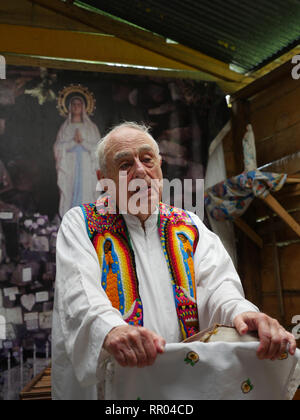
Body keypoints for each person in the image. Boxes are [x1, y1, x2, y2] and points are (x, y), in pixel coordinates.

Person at [52, 122, 297, 400]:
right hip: (116, 383)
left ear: (159, 167)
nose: (140, 171)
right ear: (102, 178)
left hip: (185, 383)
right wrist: (110, 329)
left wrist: (241, 311)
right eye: (124, 165)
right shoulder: (82, 224)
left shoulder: (188, 225)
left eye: (147, 160)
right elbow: (79, 291)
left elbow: (218, 287)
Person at [54, 96, 101, 218]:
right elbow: (57, 148)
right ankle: (69, 218)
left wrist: (83, 142)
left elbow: (98, 149)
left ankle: (87, 219)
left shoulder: (91, 128)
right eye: (73, 104)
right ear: (69, 107)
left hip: (86, 166)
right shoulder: (65, 128)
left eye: (79, 104)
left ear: (83, 107)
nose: (76, 107)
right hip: (70, 165)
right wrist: (73, 143)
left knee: (86, 192)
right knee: (70, 191)